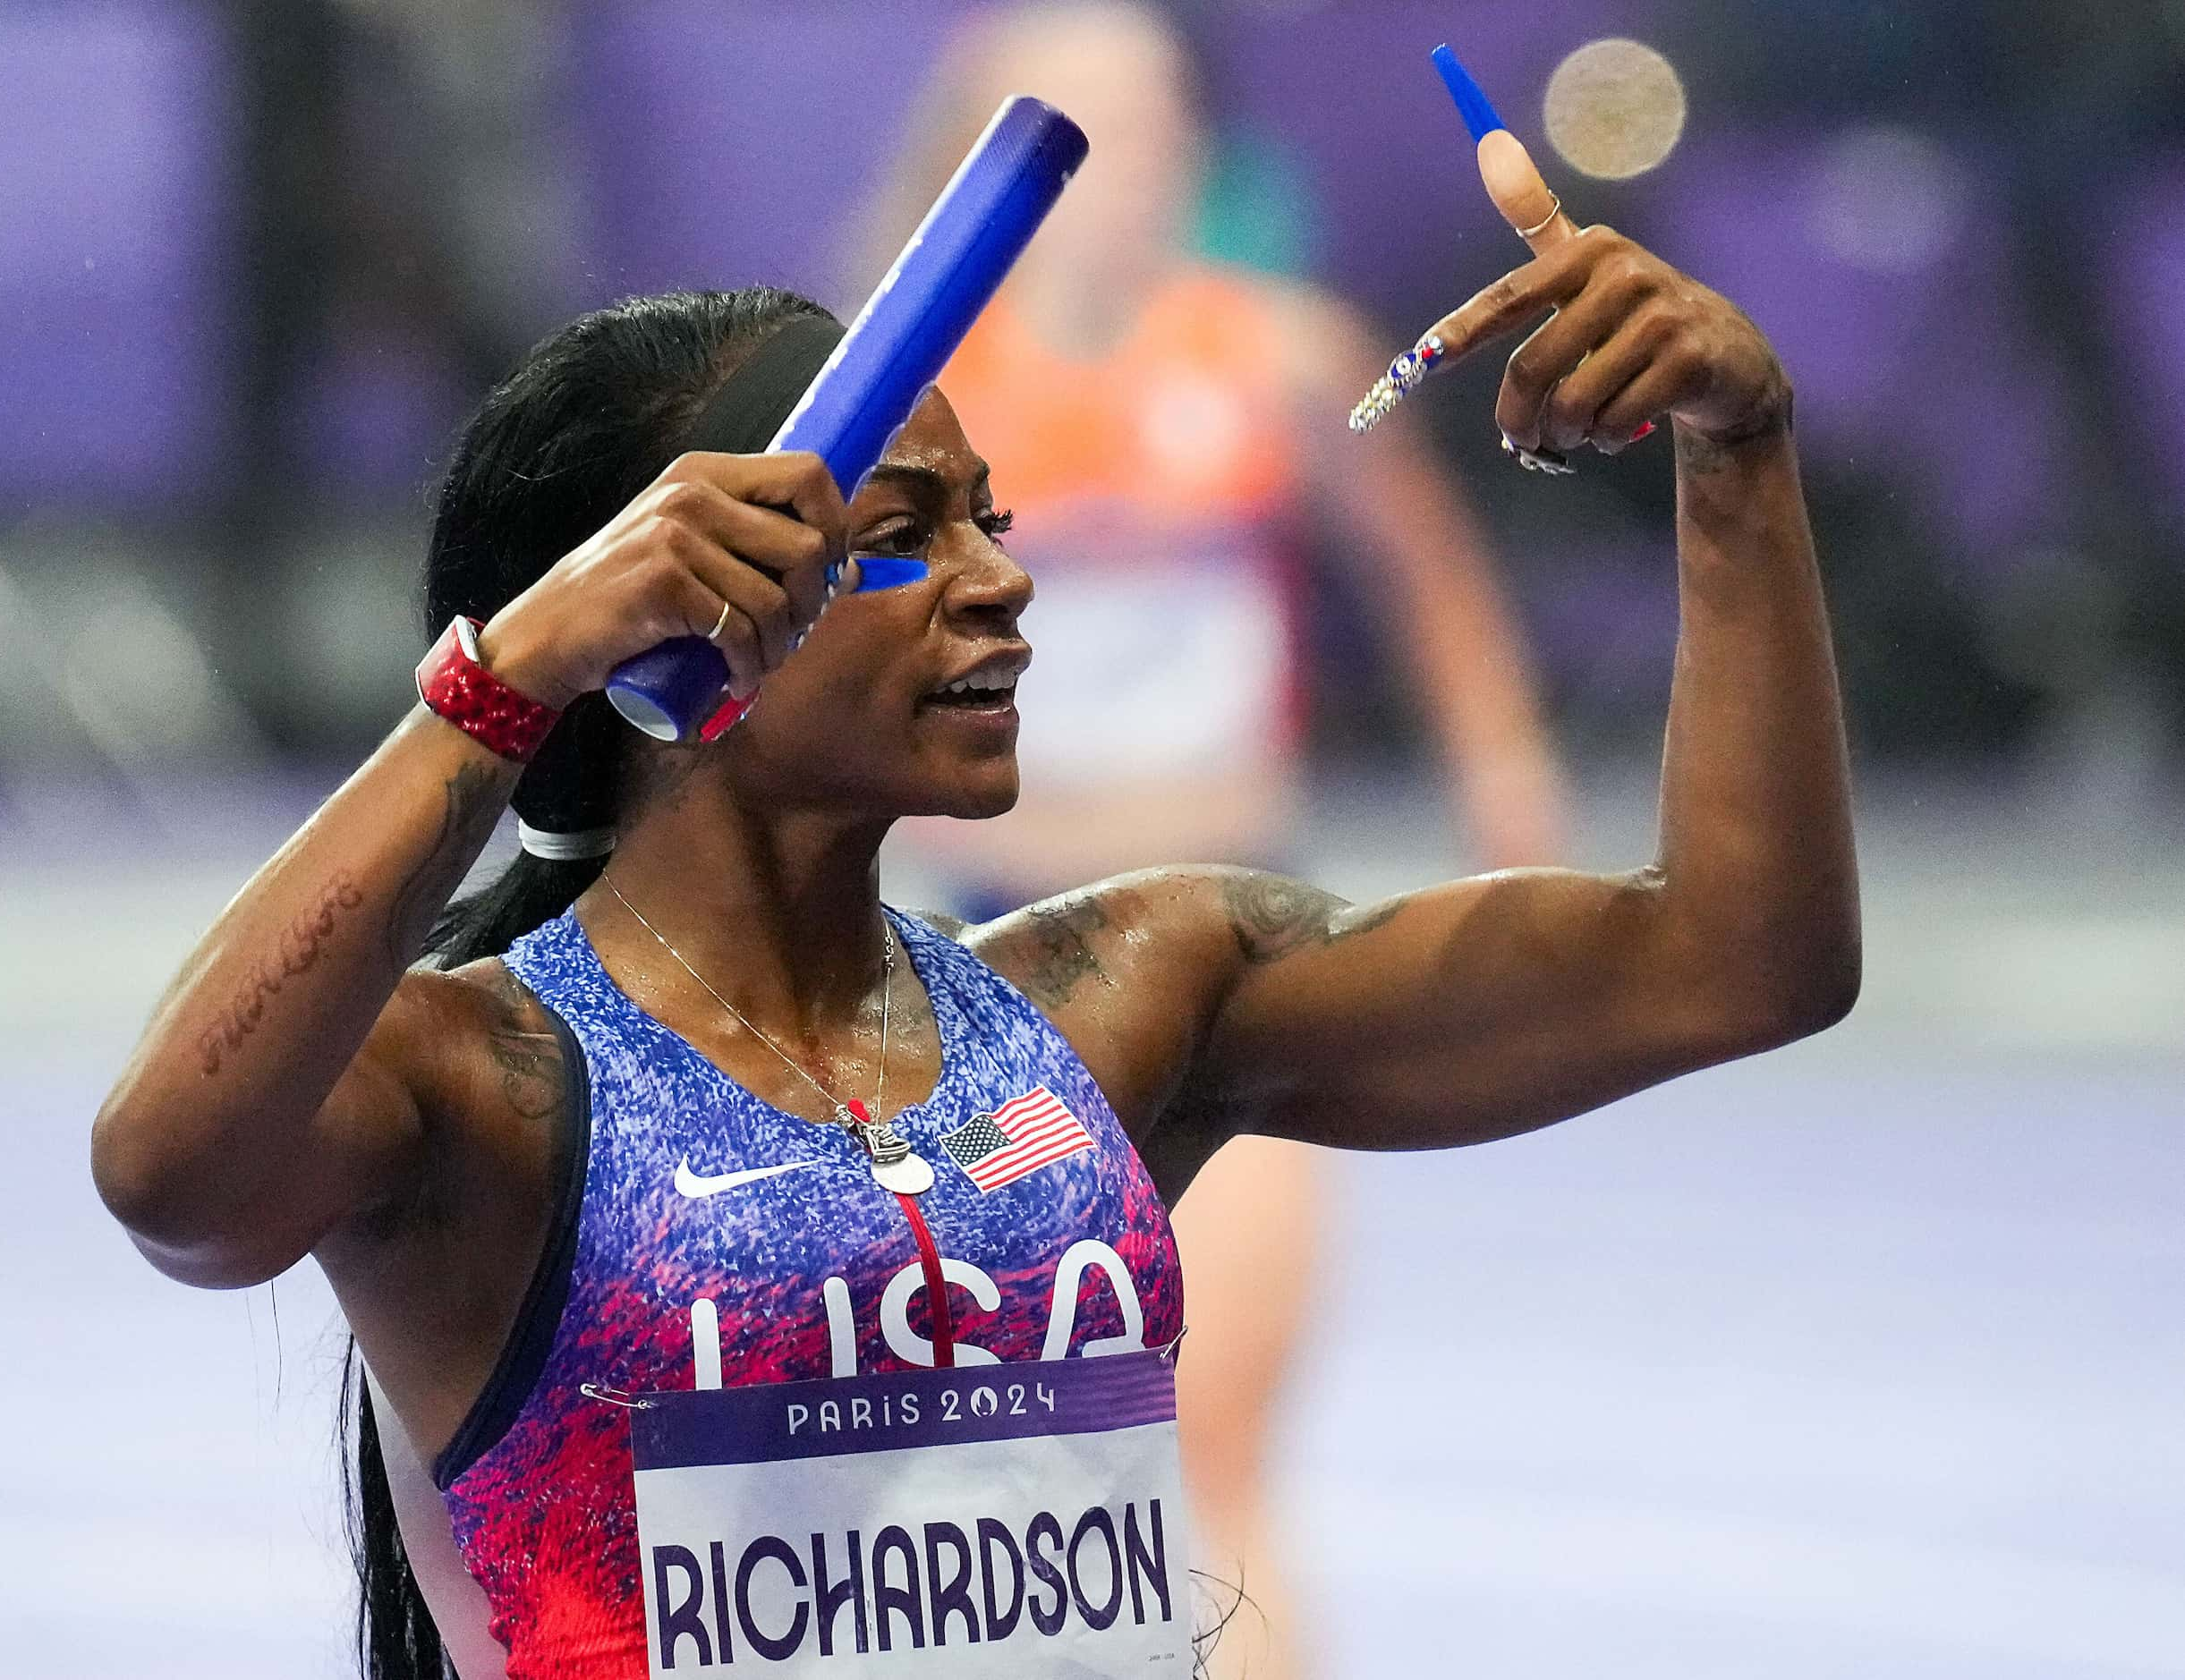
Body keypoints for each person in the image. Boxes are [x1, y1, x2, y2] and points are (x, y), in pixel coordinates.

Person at [91, 128, 1858, 1680]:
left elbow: (1735, 959)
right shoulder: (475, 1091)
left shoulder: (1132, 995)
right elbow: (169, 1174)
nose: (1002, 582)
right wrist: (508, 676)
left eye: (986, 521)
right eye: (897, 535)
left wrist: (1736, 457)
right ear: (652, 625)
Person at [863, 12, 1568, 1667]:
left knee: (1211, 1434)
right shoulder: (908, 397)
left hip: (1231, 954)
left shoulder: (1284, 358)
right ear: (982, 164)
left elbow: (1431, 577)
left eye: (1147, 124)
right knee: (971, 1461)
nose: (1117, 172)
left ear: (1192, 148)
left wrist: (1504, 775)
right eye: (1070, 134)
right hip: (979, 961)